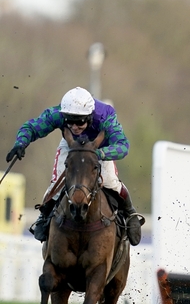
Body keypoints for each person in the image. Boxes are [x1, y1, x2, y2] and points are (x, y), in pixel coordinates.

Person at [5, 87, 144, 245]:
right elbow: (31, 127)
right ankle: (44, 216)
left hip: (99, 149)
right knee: (55, 185)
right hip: (71, 146)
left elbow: (123, 146)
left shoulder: (105, 116)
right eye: (69, 121)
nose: (74, 126)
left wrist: (99, 154)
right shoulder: (58, 114)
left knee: (111, 182)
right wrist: (21, 143)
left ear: (90, 117)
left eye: (80, 122)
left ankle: (130, 212)